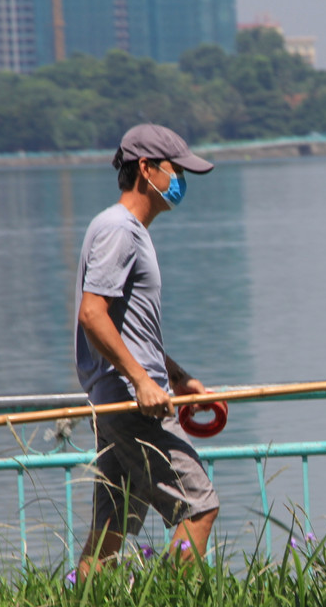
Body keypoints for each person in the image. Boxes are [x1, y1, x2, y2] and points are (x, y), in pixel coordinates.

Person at [73, 123, 220, 575]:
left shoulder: (129, 230)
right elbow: (92, 314)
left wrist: (174, 376)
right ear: (146, 168)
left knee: (111, 526)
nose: (182, 182)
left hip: (130, 397)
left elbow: (129, 326)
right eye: (176, 170)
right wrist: (141, 381)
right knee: (199, 505)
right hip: (132, 404)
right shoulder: (119, 229)